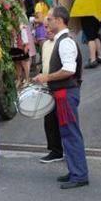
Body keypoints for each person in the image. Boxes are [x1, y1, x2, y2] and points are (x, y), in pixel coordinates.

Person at [33, 7, 88, 189]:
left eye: (49, 19)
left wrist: (46, 77)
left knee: (71, 134)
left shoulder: (65, 42)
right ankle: (75, 170)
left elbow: (69, 70)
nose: (46, 22)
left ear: (59, 20)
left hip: (66, 93)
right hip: (62, 93)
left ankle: (79, 175)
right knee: (67, 134)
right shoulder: (60, 41)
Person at [39, 21, 63, 163]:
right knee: (49, 120)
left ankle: (67, 149)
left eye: (48, 27)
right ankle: (55, 150)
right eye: (44, 28)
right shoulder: (45, 45)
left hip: (60, 85)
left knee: (64, 121)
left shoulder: (62, 42)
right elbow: (45, 64)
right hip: (48, 86)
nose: (46, 30)